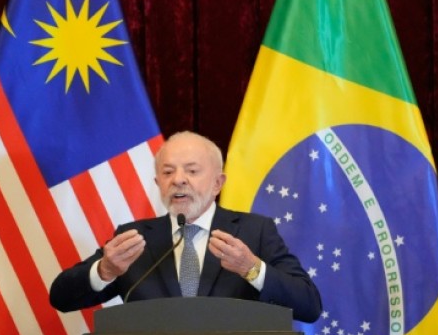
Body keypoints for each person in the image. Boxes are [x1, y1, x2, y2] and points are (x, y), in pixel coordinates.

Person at [48, 131, 322, 323]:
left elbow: (309, 305)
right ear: (158, 184)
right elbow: (61, 297)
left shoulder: (255, 231)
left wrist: (251, 268)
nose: (178, 180)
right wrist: (105, 270)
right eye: (168, 172)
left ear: (218, 183)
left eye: (191, 171)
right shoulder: (134, 239)